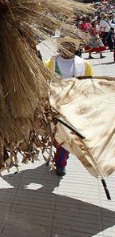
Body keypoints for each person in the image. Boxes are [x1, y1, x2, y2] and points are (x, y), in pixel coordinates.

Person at [45, 37, 93, 176]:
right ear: (59, 47)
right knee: (55, 136)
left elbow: (89, 86)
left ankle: (60, 164)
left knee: (67, 137)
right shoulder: (50, 63)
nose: (67, 47)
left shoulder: (84, 65)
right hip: (54, 105)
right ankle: (58, 154)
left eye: (71, 45)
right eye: (64, 45)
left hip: (73, 106)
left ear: (76, 48)